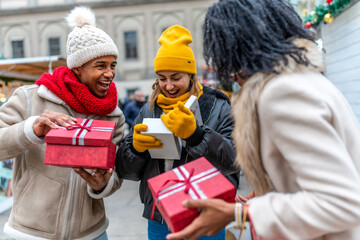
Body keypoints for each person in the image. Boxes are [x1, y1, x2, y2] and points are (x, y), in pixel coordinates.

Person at [166, 0, 360, 240]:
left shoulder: (282, 92)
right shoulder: (303, 79)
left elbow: (341, 202)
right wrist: (269, 190)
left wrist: (240, 213)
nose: (231, 76)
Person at [0, 6, 125, 240]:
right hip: (31, 234)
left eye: (113, 65)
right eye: (101, 65)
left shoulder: (114, 115)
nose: (110, 73)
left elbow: (116, 172)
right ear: (77, 67)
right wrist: (31, 129)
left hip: (92, 234)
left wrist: (102, 184)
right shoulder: (30, 97)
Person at [115, 25, 239, 240]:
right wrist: (135, 148)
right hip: (160, 217)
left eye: (176, 77)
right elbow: (126, 172)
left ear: (191, 75)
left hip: (207, 214)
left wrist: (196, 135)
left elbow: (233, 162)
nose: (168, 86)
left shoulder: (217, 106)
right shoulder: (150, 109)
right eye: (162, 78)